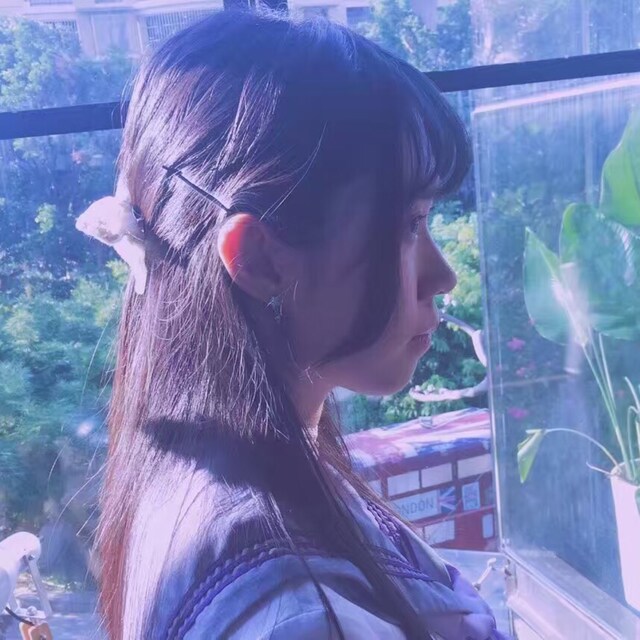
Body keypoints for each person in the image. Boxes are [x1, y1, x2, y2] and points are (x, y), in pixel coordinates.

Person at [77, 9, 510, 640]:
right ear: (258, 259)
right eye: (409, 224)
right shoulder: (295, 617)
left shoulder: (214, 470)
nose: (442, 276)